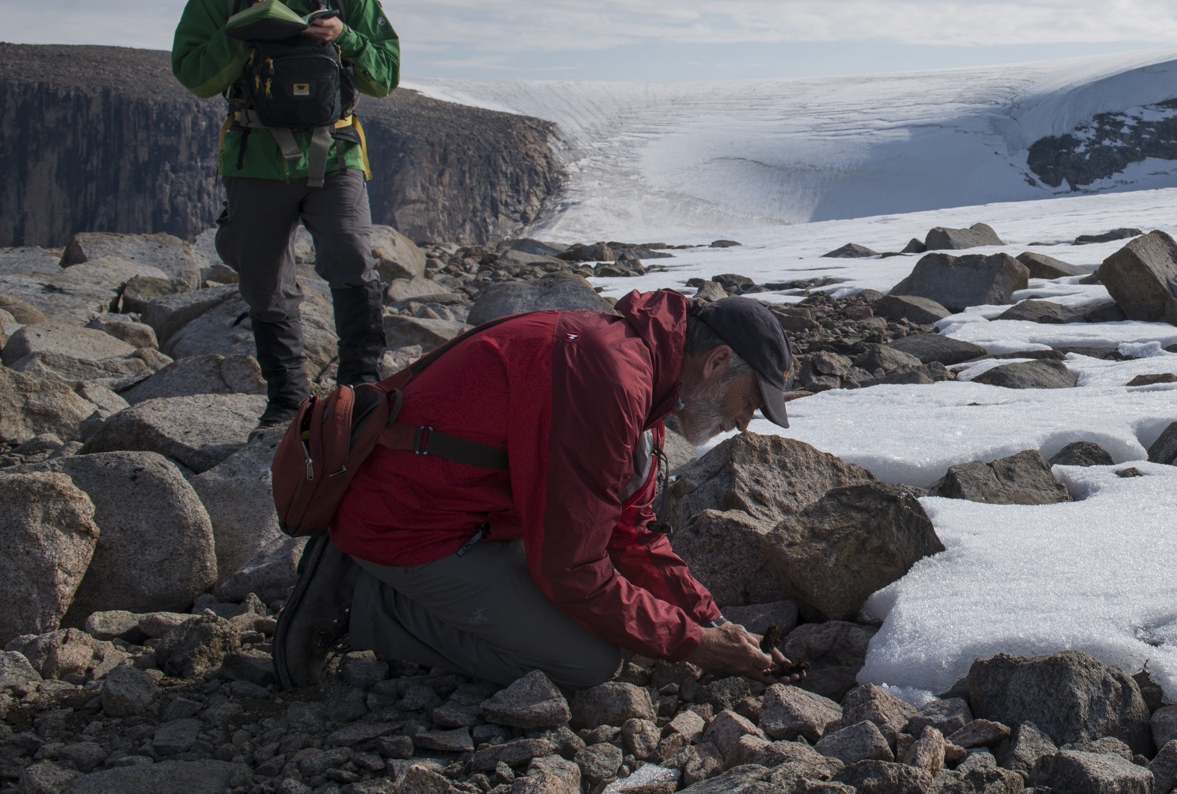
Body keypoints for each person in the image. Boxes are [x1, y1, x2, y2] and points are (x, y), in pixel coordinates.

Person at [272, 292, 797, 690]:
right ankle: (363, 600)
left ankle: (392, 583)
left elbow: (629, 528)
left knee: (611, 619)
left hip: (468, 511)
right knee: (588, 660)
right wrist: (694, 645)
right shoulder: (610, 383)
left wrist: (709, 618)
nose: (746, 423)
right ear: (717, 362)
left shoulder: (647, 374)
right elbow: (570, 570)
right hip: (405, 521)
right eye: (751, 402)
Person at [171, 0, 400, 429]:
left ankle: (360, 392)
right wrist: (241, 32)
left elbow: (385, 75)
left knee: (350, 255)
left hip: (336, 153)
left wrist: (344, 36)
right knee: (263, 281)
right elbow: (194, 75)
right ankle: (286, 404)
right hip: (255, 158)